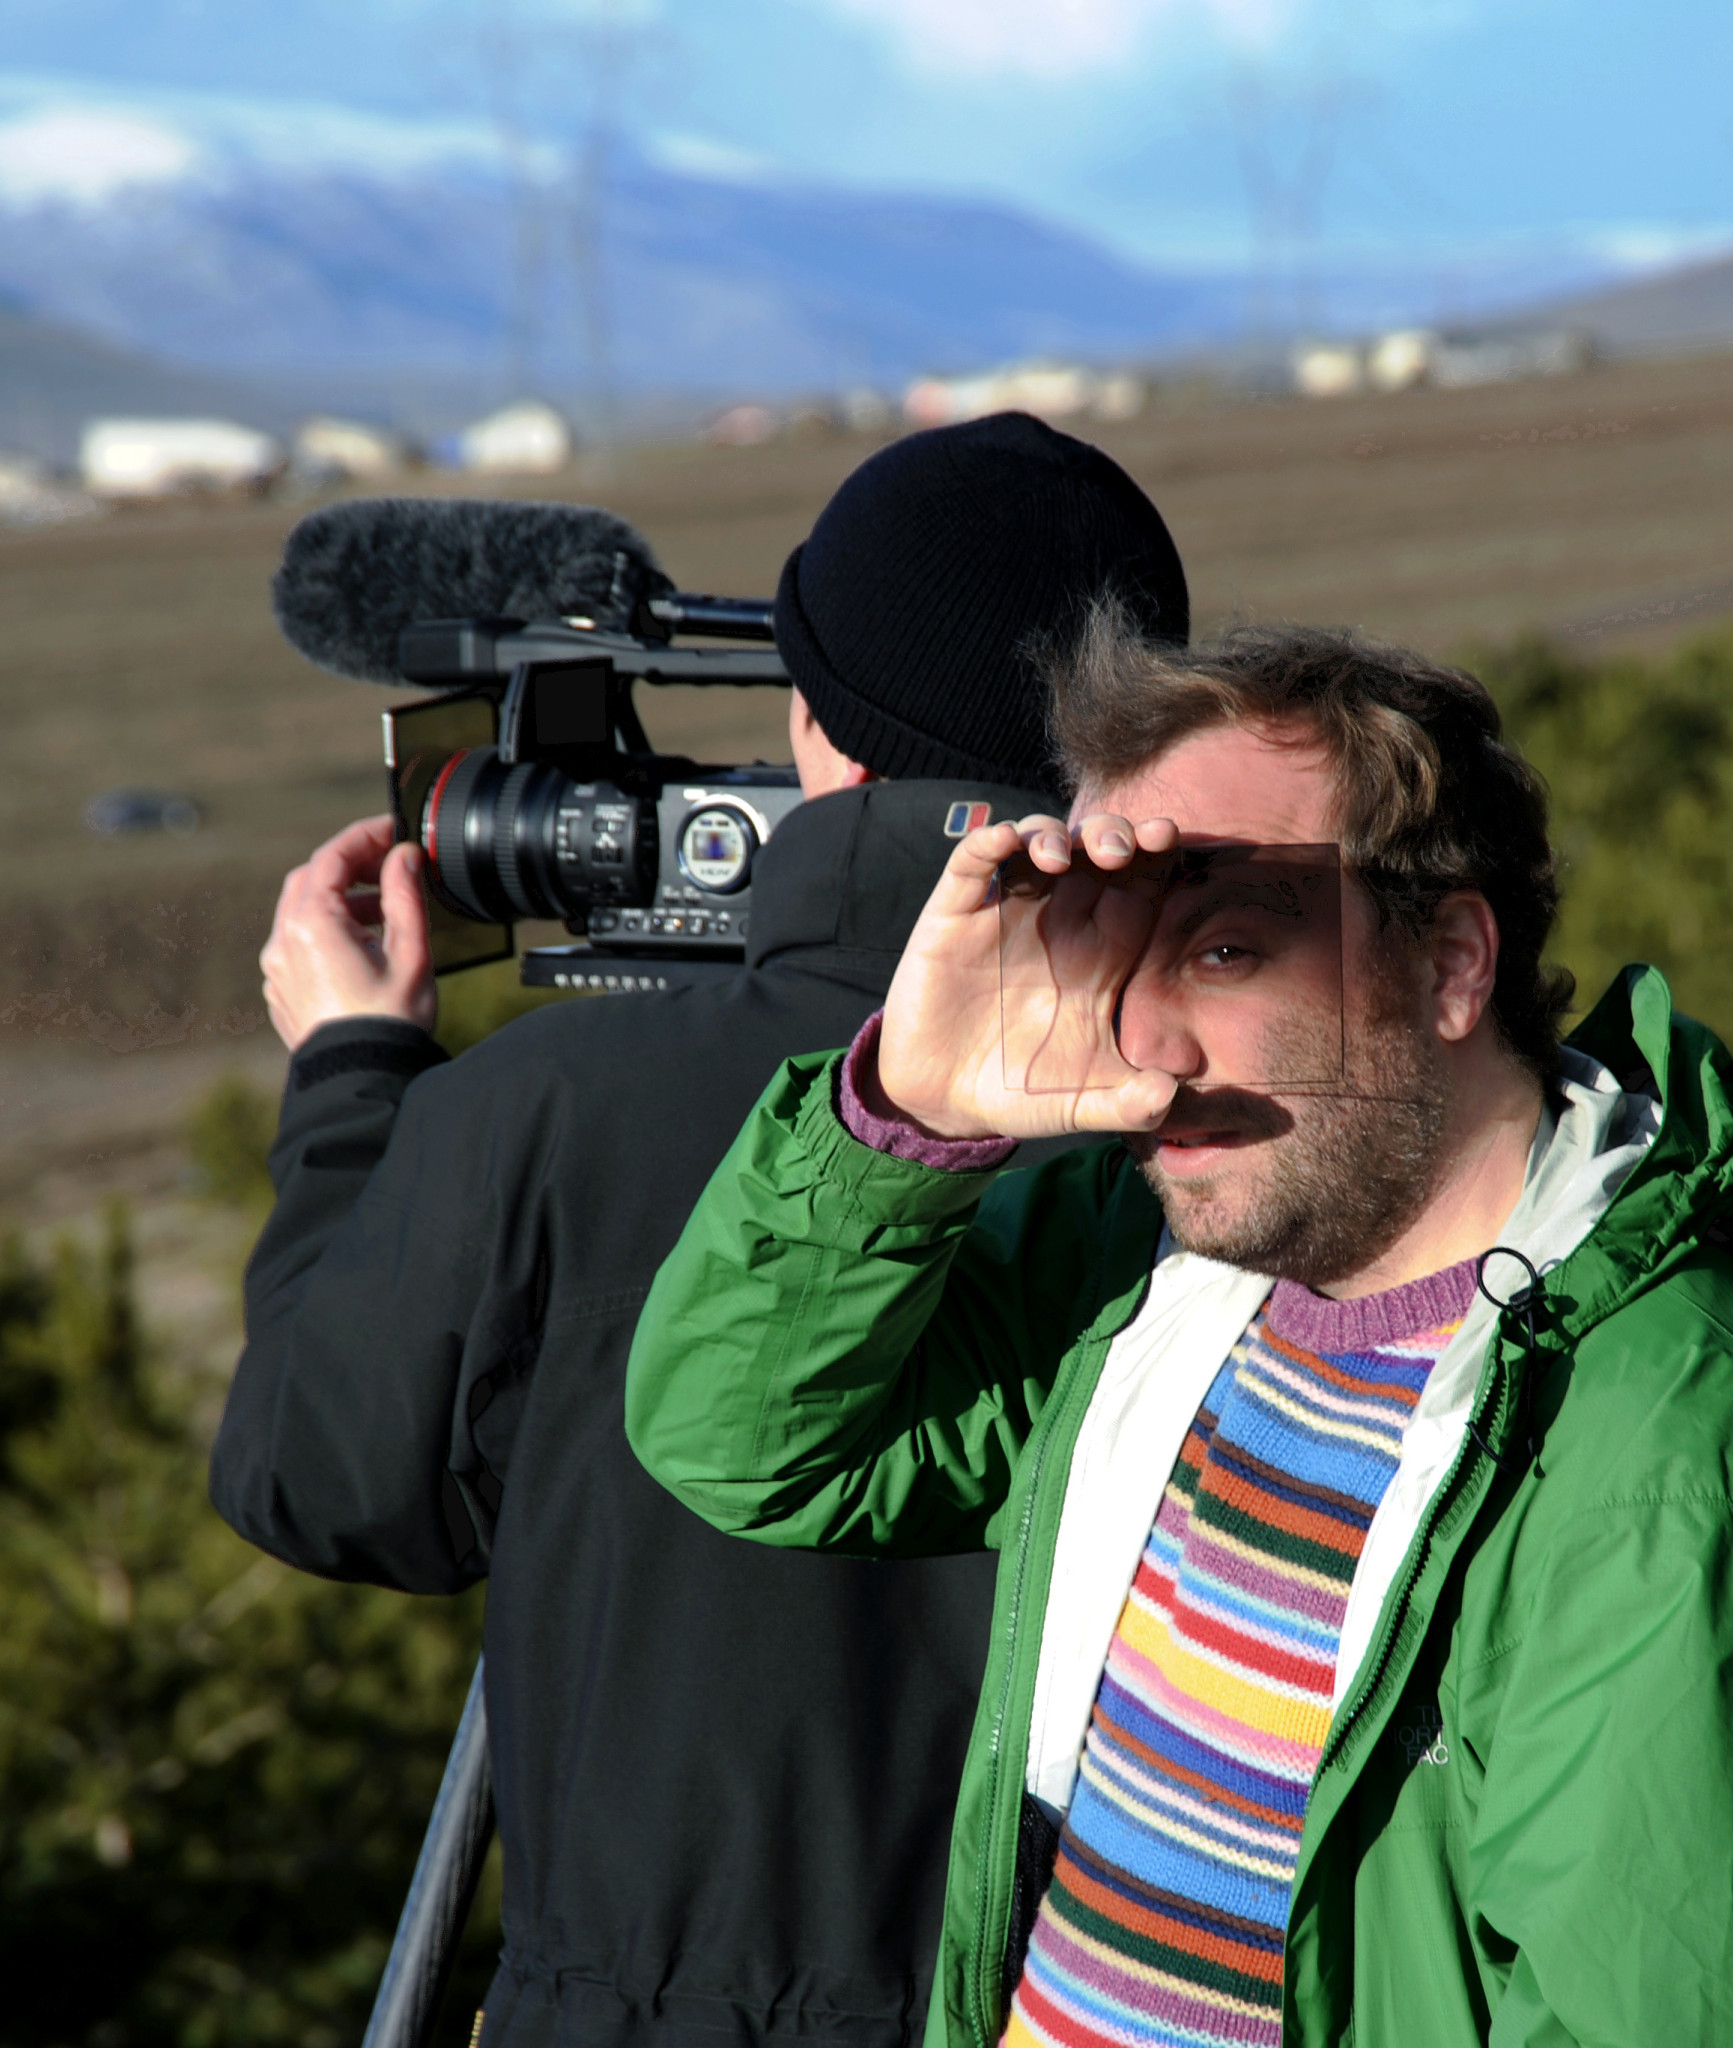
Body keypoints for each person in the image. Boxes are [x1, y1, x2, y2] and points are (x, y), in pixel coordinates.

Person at [625, 615, 1733, 2048]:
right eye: (1112, 957)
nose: (1148, 1047)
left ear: (1455, 964)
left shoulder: (1659, 1453)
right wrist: (906, 1108)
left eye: (1227, 949)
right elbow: (747, 1440)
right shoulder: (1150, 1274)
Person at [208, 414, 1192, 2048]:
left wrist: (354, 1075)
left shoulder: (558, 1107)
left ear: (815, 722)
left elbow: (322, 1471)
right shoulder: (1230, 1110)